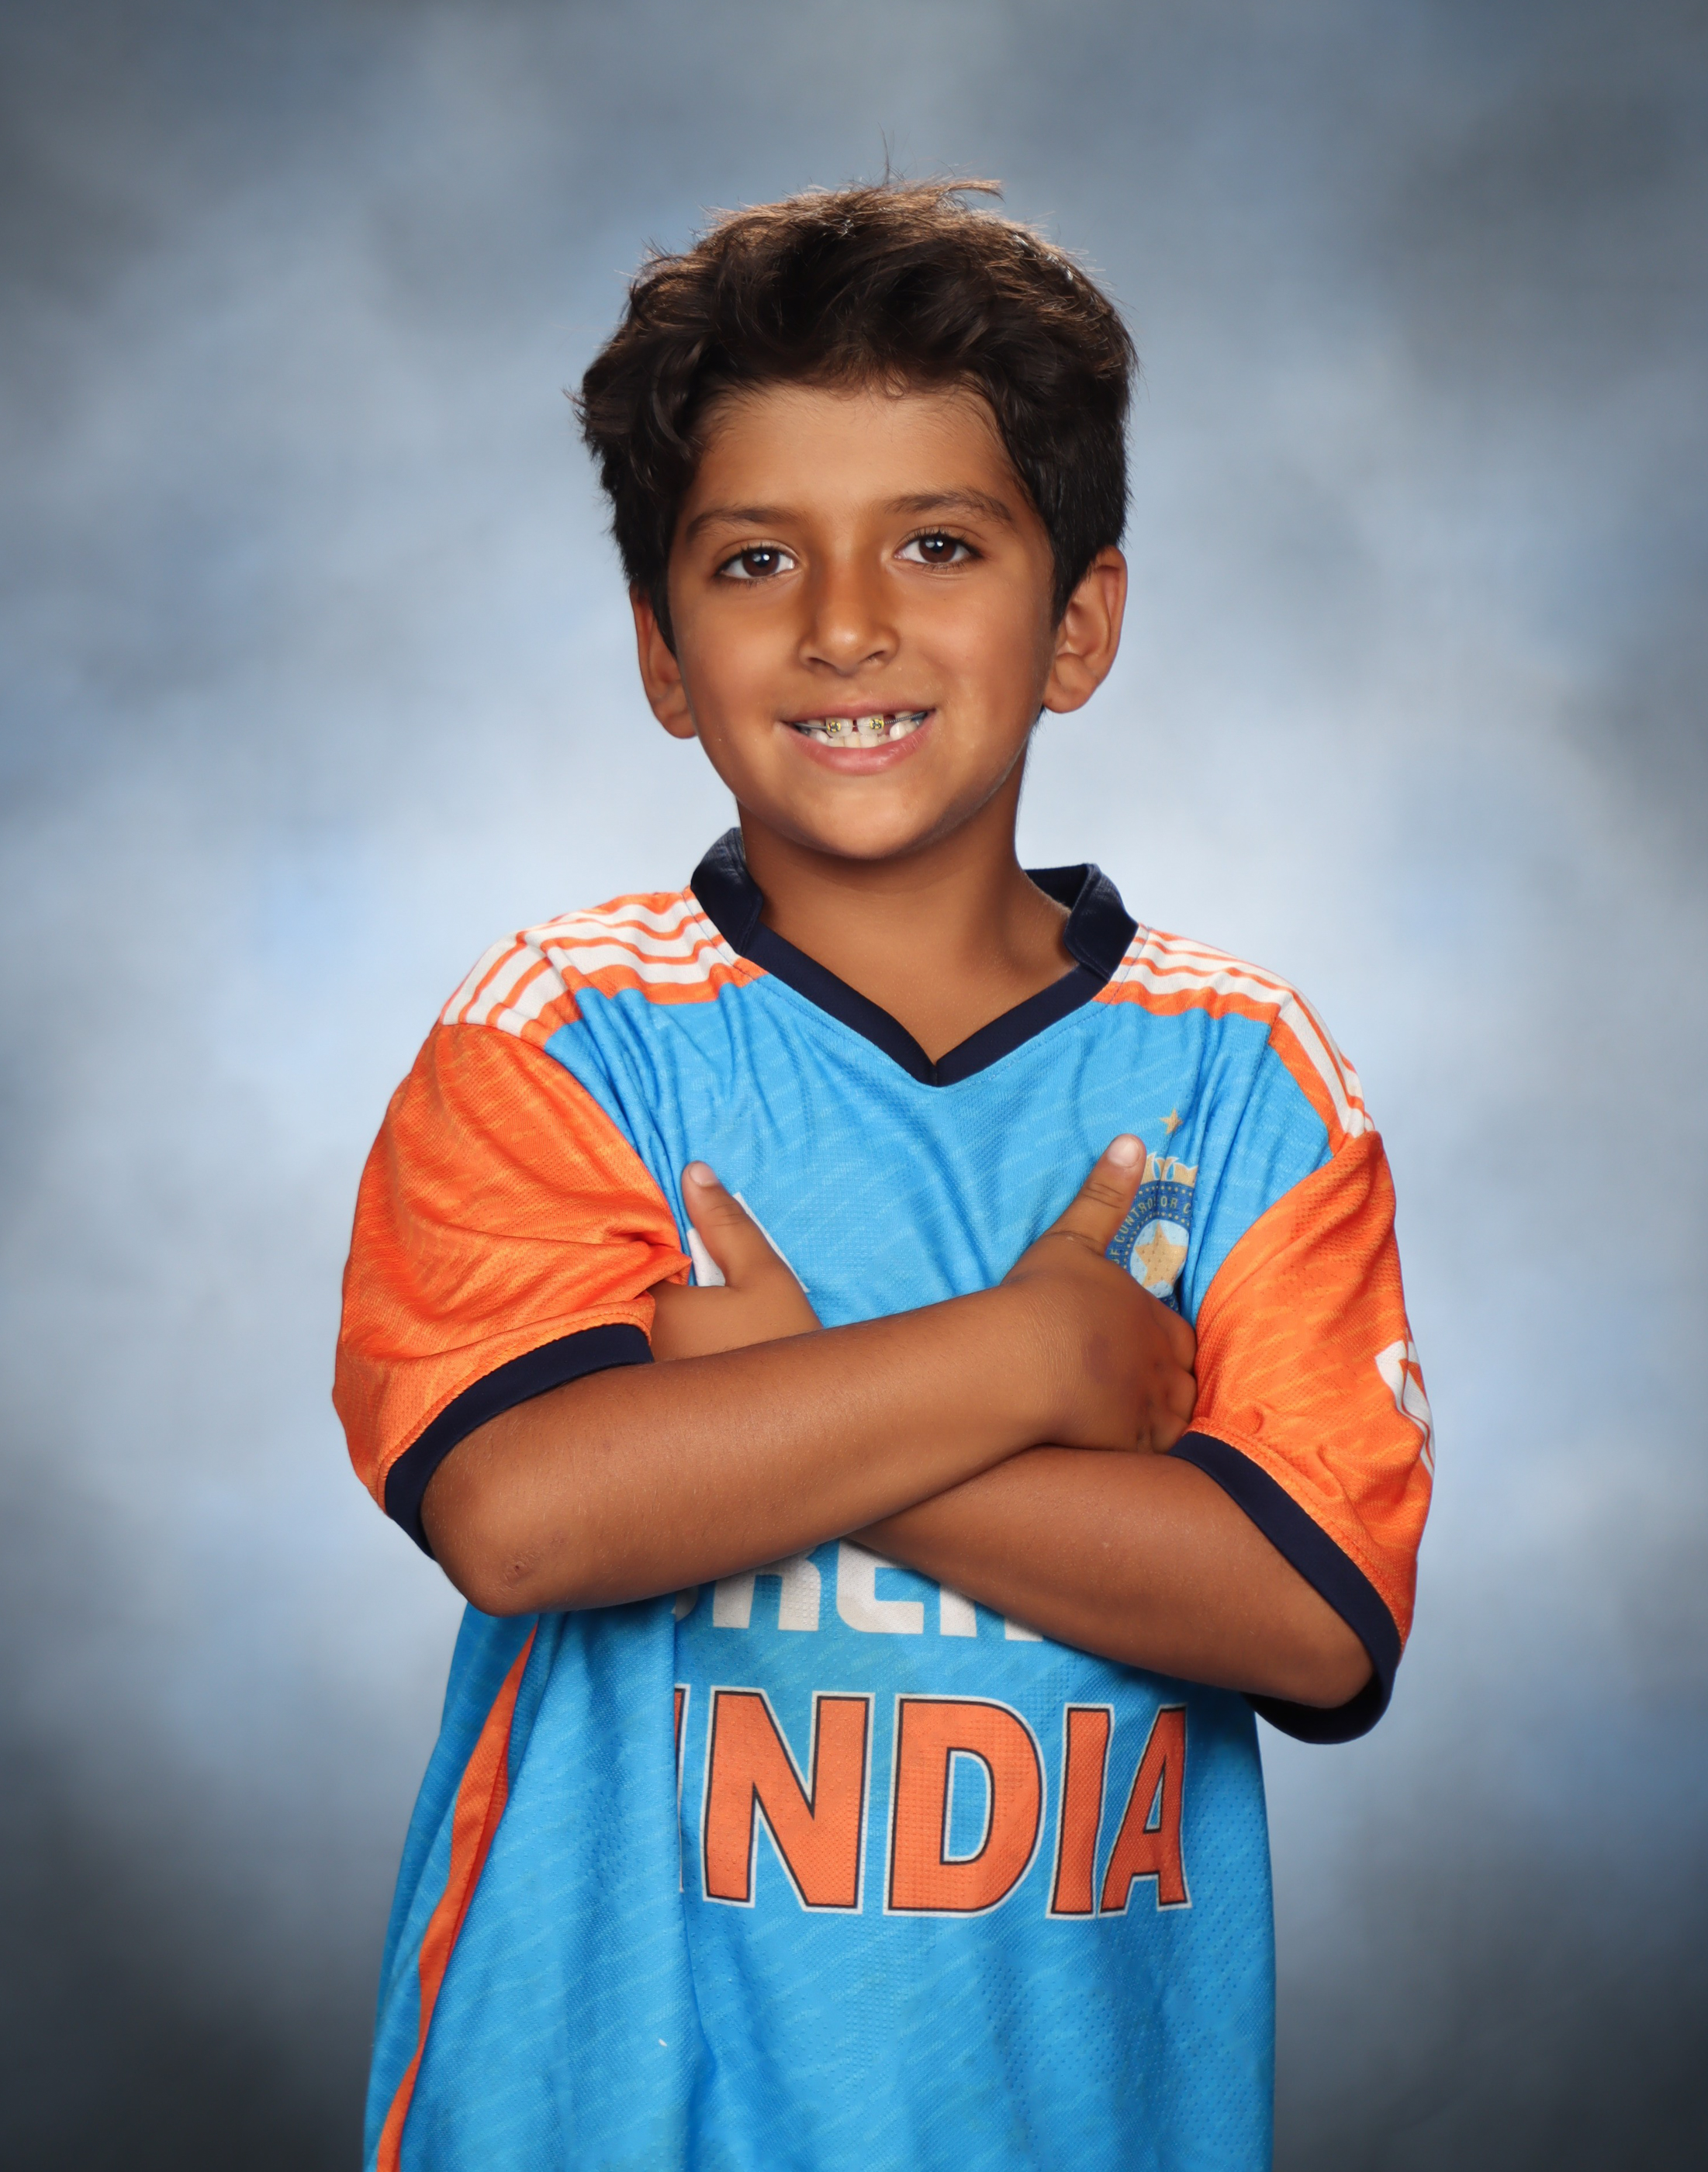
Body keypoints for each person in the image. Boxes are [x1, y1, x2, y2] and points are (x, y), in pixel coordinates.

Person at [334, 178, 1433, 2172]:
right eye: (756, 558)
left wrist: (782, 1396)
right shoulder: (566, 1035)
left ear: (1077, 621)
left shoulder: (1239, 1075)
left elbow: (1309, 1615)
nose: (845, 624)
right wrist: (1025, 1362)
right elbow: (526, 1514)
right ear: (664, 653)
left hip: (1072, 2122)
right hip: (601, 2121)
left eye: (937, 543)